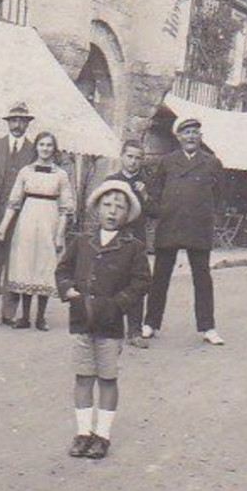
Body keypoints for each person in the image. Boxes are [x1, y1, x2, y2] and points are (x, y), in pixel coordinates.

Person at [56, 179, 152, 461]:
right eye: (107, 205)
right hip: (82, 320)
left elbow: (141, 282)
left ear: (127, 214)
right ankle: (83, 433)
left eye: (119, 207)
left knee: (107, 379)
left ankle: (102, 436)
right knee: (83, 376)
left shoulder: (132, 247)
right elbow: (63, 270)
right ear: (96, 210)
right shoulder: (82, 241)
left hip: (110, 325)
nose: (112, 211)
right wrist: (68, 291)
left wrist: (118, 305)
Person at [142, 116, 227, 345]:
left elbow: (220, 197)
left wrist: (211, 220)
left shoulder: (212, 163)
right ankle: (150, 323)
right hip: (169, 225)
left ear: (200, 137)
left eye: (195, 133)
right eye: (186, 133)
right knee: (160, 277)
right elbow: (154, 192)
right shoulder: (167, 162)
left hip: (198, 228)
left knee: (202, 279)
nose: (190, 137)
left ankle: (208, 327)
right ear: (178, 137)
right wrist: (162, 211)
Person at [0, 130, 74, 331]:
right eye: (42, 145)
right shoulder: (25, 172)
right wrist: (3, 228)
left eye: (49, 145)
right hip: (28, 220)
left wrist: (60, 235)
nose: (45, 149)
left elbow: (66, 207)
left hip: (50, 220)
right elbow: (13, 203)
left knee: (45, 266)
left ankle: (40, 318)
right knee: (27, 265)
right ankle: (24, 317)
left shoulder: (61, 174)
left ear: (54, 149)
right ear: (36, 147)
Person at [0, 101, 39, 324]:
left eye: (22, 121)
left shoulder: (34, 150)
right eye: (14, 120)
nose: (17, 125)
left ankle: (8, 313)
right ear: (8, 122)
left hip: (21, 215)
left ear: (27, 124)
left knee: (15, 263)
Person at [102, 139, 151, 347]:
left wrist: (145, 195)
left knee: (136, 283)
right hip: (115, 236)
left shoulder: (146, 182)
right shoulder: (112, 180)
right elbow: (102, 210)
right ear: (122, 156)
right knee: (110, 280)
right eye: (129, 157)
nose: (133, 162)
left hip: (137, 239)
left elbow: (156, 211)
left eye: (138, 158)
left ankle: (135, 331)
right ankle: (107, 325)